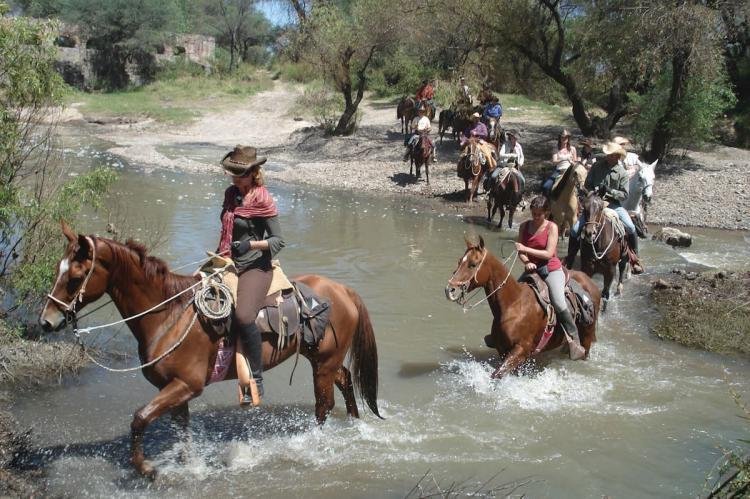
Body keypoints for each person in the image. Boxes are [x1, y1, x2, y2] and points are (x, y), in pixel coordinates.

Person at [218, 145, 286, 405]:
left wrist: (250, 245)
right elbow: (226, 228)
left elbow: (279, 241)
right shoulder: (230, 194)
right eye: (233, 173)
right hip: (227, 260)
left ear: (253, 173)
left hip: (256, 266)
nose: (235, 179)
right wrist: (219, 255)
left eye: (240, 174)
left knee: (244, 315)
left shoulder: (263, 198)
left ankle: (256, 378)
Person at [515, 196, 586, 360]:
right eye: (533, 213)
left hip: (550, 269)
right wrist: (526, 262)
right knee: (512, 299)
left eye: (539, 214)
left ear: (546, 213)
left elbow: (548, 253)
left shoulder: (552, 227)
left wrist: (526, 249)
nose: (535, 217)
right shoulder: (524, 226)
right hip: (532, 271)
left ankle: (573, 339)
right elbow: (521, 252)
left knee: (559, 302)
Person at [564, 142, 644, 274]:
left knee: (630, 227)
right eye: (608, 154)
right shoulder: (597, 166)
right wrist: (592, 192)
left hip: (613, 204)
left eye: (612, 155)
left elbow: (624, 195)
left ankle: (634, 258)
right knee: (574, 230)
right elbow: (587, 184)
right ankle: (570, 259)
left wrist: (609, 190)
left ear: (618, 156)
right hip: (595, 204)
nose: (609, 157)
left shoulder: (622, 173)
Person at [542, 129, 578, 195]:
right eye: (562, 137)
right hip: (559, 171)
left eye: (566, 137)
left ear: (568, 138)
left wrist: (571, 161)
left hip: (570, 171)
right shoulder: (556, 148)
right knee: (546, 186)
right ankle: (547, 203)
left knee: (579, 187)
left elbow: (575, 163)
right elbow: (554, 162)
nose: (564, 139)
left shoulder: (573, 149)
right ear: (560, 138)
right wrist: (563, 159)